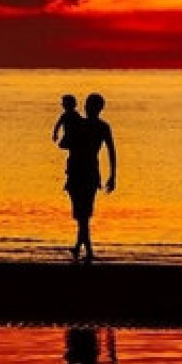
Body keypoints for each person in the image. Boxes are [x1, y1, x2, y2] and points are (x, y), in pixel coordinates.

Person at [64, 92, 116, 262]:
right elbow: (111, 151)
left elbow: (64, 144)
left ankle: (86, 250)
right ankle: (80, 247)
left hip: (81, 172)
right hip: (86, 172)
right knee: (83, 214)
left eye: (88, 105)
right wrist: (112, 175)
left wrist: (113, 176)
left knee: (83, 214)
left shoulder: (82, 125)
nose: (86, 108)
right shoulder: (101, 126)